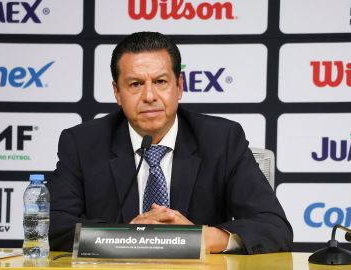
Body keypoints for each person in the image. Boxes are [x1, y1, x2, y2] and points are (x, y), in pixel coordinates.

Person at [47, 31, 293, 254]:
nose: (150, 96)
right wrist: (127, 237)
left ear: (179, 87)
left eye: (160, 82)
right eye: (135, 84)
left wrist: (199, 237)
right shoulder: (82, 143)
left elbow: (273, 227)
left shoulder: (222, 140)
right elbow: (55, 226)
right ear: (117, 93)